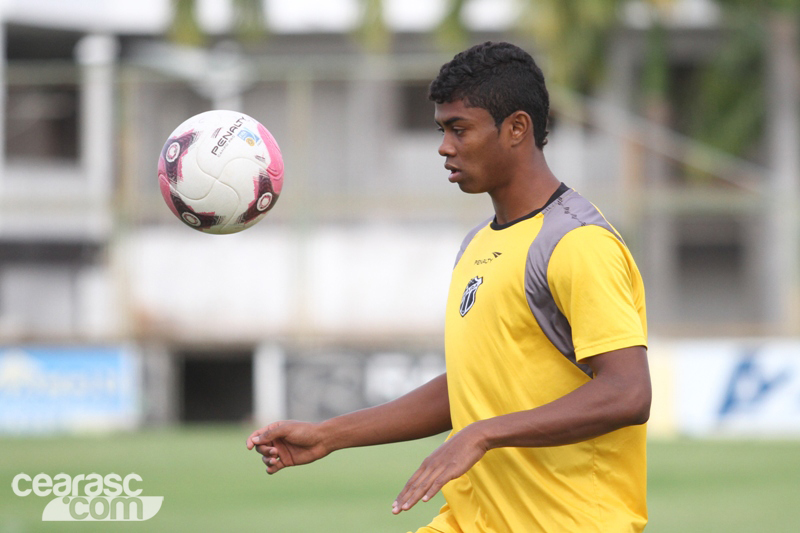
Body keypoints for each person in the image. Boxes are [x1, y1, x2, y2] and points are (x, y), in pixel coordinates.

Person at [247, 41, 651, 533]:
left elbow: (627, 393)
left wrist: (482, 435)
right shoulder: (479, 243)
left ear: (517, 128)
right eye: (443, 129)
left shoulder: (577, 243)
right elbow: (468, 388)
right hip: (470, 521)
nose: (444, 146)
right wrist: (331, 435)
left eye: (459, 129)